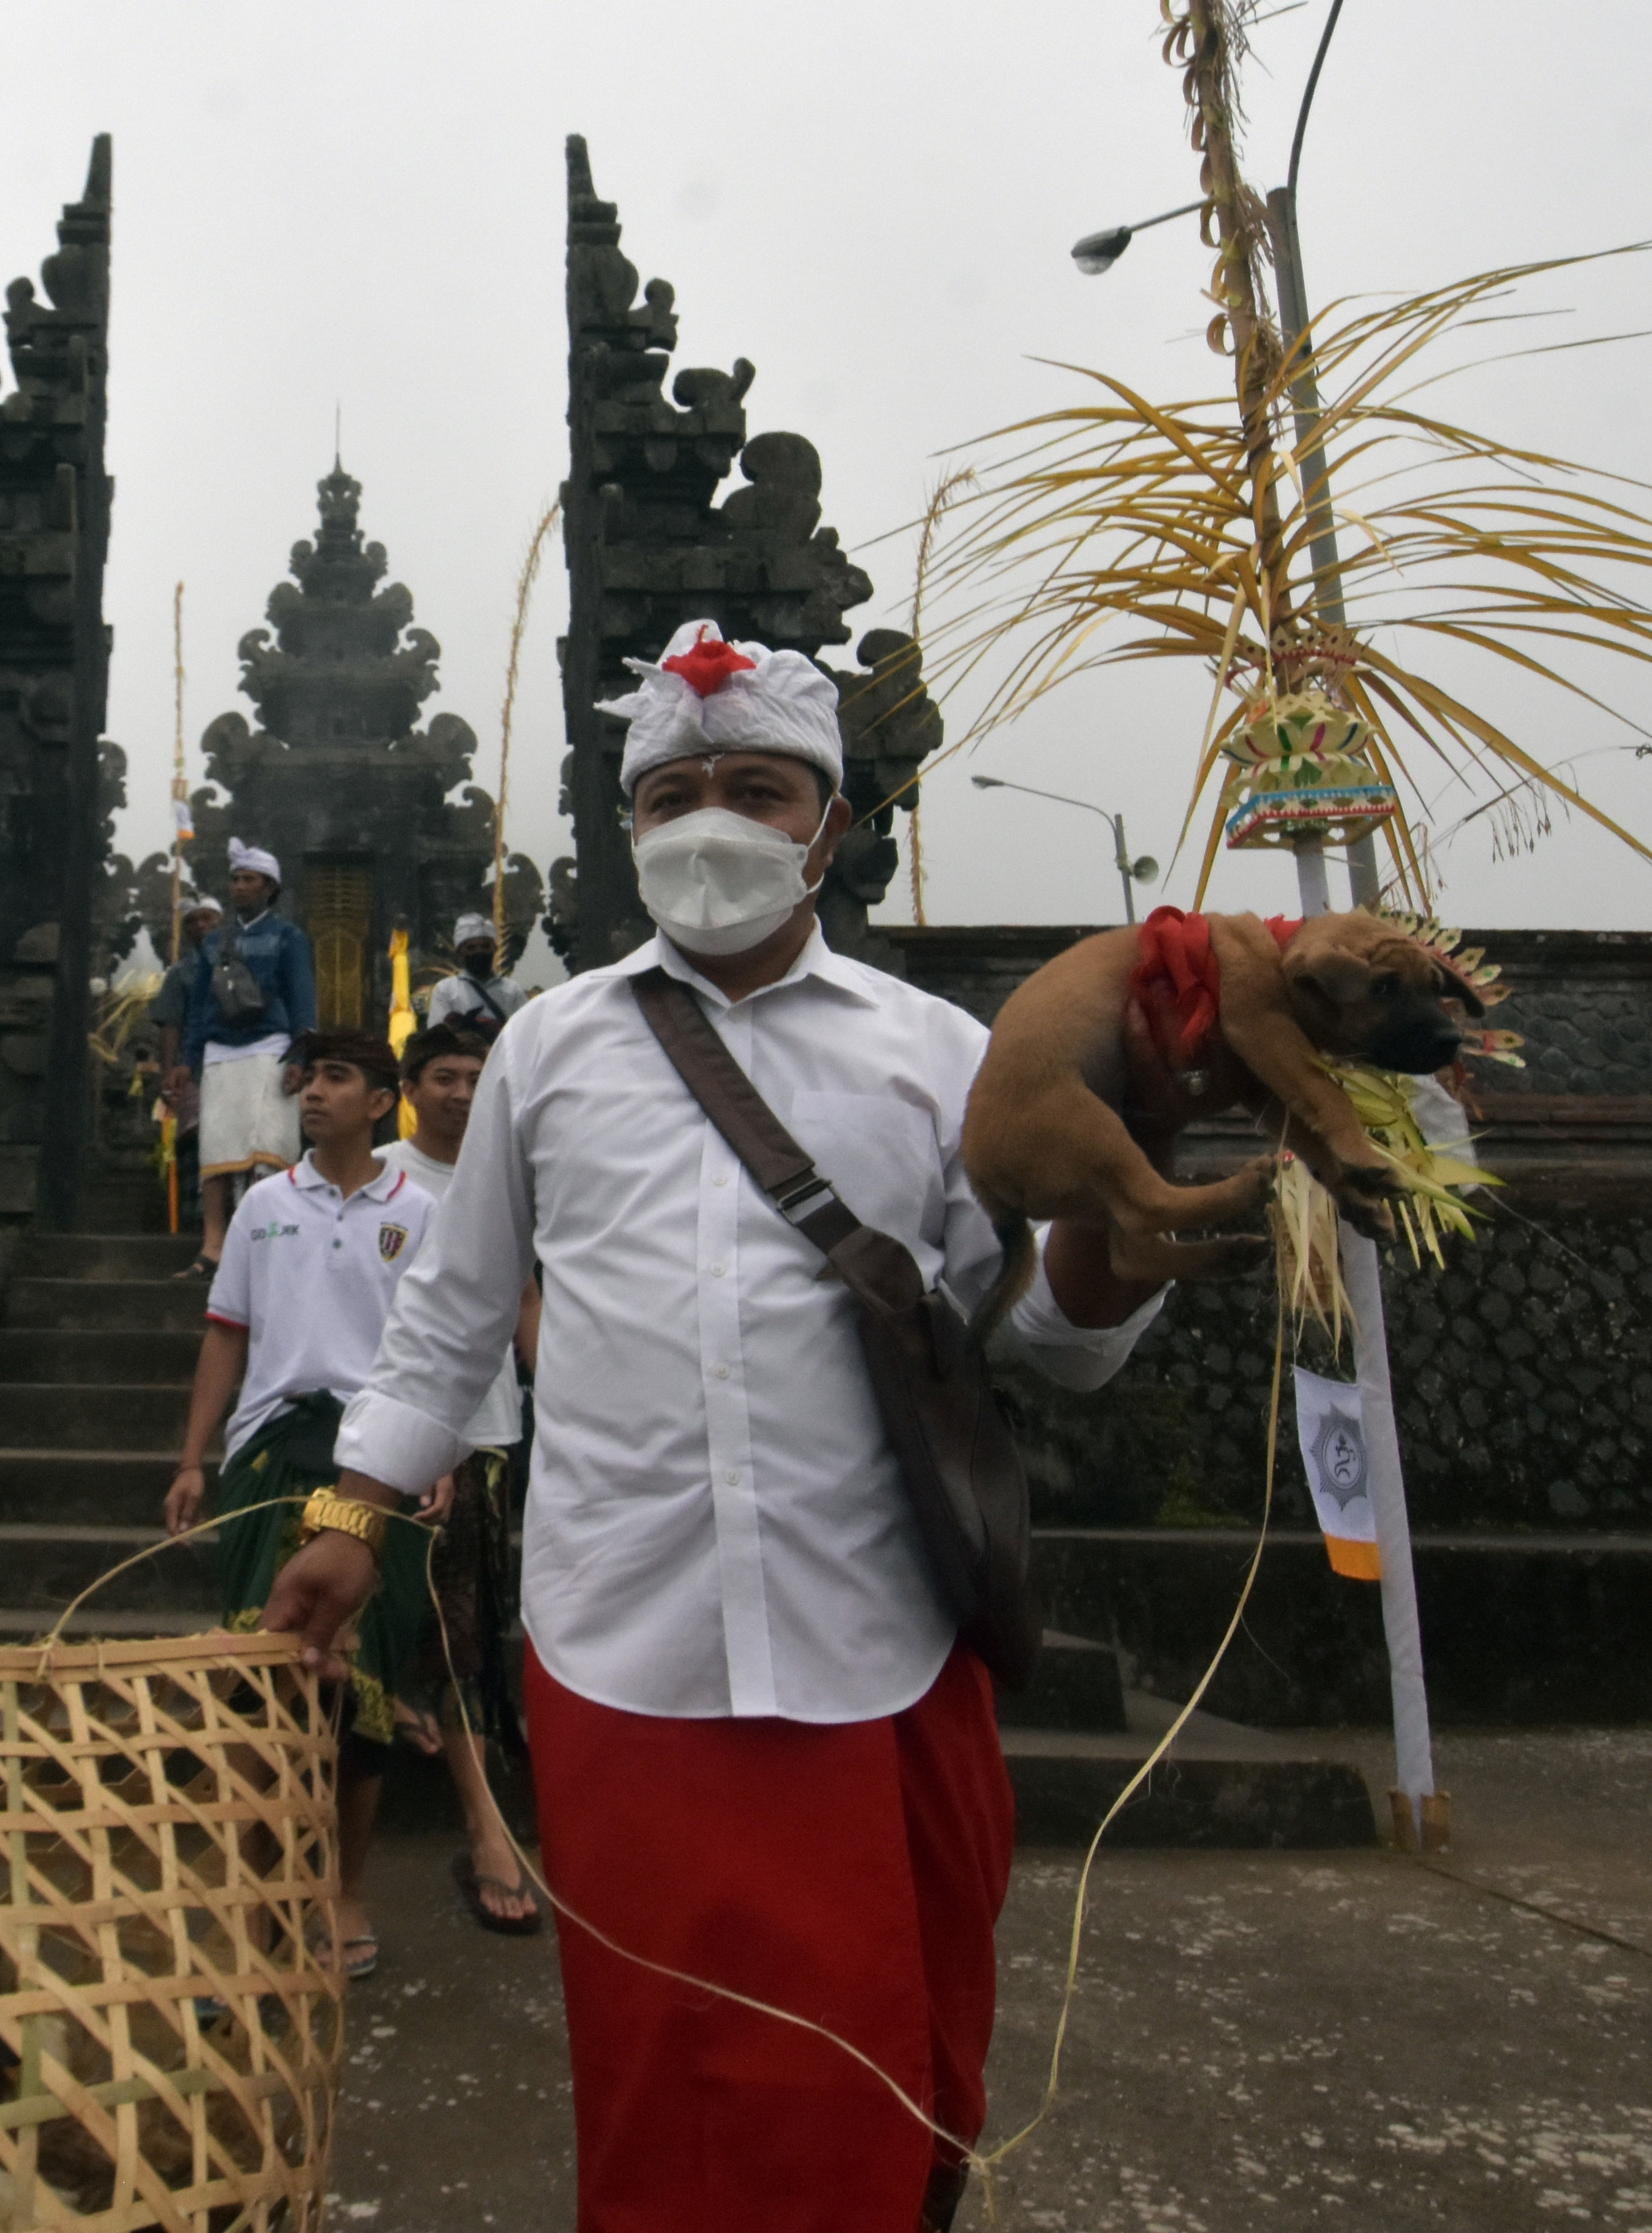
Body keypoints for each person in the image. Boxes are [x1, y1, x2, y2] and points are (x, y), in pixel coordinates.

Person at [264, 617, 1173, 2232]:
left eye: (759, 788)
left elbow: (1052, 1348)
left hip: (878, 1634)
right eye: (673, 790)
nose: (711, 823)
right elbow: (451, 1321)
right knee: (666, 2082)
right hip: (630, 1643)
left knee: (898, 2073)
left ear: (831, 823)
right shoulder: (547, 1049)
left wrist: (1130, 1199)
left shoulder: (941, 1060)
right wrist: (349, 1519)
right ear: (625, 828)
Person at [163, 1026, 438, 1983]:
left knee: (359, 1696)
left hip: (377, 1460)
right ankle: (255, 1895)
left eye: (336, 1077)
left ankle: (345, 1890)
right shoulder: (263, 1206)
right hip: (271, 1453)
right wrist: (195, 1458)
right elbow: (226, 1336)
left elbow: (443, 1348)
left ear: (380, 1101)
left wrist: (438, 1450)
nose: (312, 1093)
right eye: (306, 1078)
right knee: (257, 1675)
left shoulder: (423, 1211)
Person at [375, 1021, 542, 1938]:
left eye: (481, 1077)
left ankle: (486, 1827)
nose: (465, 1093)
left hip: (486, 1432)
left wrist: (557, 1385)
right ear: (408, 1086)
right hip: (385, 1439)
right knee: (377, 1607)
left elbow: (525, 1298)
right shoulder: (382, 1181)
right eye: (445, 1076)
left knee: (473, 1618)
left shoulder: (514, 1175)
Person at [177, 842, 316, 1278]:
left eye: (249, 880)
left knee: (269, 1148)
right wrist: (188, 1058)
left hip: (270, 1050)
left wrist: (300, 1056)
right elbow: (200, 1006)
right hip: (221, 1052)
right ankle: (214, 1245)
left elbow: (303, 1002)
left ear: (269, 887)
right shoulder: (216, 941)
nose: (240, 887)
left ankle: (264, 1240)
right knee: (217, 1151)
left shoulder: (289, 937)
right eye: (236, 879)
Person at [151, 892, 224, 1185]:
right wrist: (169, 1075)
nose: (200, 925)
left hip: (234, 1063)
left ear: (222, 923)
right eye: (192, 922)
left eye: (207, 918)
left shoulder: (242, 962)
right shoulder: (181, 975)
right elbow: (172, 1026)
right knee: (197, 1138)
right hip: (195, 1069)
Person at [424, 912, 536, 1030]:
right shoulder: (445, 991)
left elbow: (526, 1030)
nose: (479, 952)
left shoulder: (512, 990)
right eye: (471, 948)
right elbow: (437, 1036)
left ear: (494, 950)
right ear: (460, 954)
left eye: (485, 947)